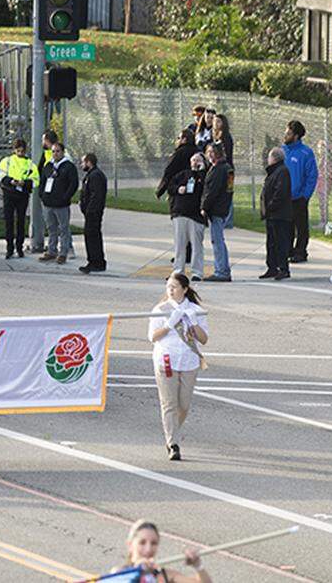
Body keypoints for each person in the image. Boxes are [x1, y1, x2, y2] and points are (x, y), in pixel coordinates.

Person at [148, 273, 208, 461]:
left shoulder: (195, 309)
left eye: (174, 287)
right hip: (166, 359)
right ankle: (172, 443)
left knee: (184, 405)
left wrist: (194, 322)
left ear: (185, 289)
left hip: (188, 360)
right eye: (168, 287)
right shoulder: (161, 309)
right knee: (169, 404)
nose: (171, 290)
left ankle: (171, 428)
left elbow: (204, 339)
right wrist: (169, 324)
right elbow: (152, 337)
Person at [110, 520, 212, 583]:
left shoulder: (165, 575)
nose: (148, 549)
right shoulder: (119, 573)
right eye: (142, 543)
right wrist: (138, 570)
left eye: (154, 543)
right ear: (130, 545)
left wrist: (198, 566)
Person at [282, 120, 318, 263]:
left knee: (301, 227)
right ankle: (288, 250)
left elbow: (312, 176)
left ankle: (301, 252)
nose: (285, 135)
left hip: (299, 197)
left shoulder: (306, 153)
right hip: (284, 196)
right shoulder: (283, 150)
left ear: (296, 136)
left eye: (288, 133)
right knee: (287, 226)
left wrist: (305, 195)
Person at [168, 153, 206, 281]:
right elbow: (171, 186)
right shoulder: (183, 174)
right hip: (180, 213)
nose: (195, 163)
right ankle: (178, 270)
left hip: (195, 216)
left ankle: (197, 272)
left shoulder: (204, 176)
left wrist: (201, 172)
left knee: (197, 246)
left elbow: (206, 188)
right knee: (180, 245)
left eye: (198, 160)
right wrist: (179, 189)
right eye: (194, 160)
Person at [39, 142, 78, 265]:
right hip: (48, 203)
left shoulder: (68, 166)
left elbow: (73, 184)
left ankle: (63, 253)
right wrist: (42, 195)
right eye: (53, 151)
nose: (55, 154)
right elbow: (42, 181)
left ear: (62, 152)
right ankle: (52, 250)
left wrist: (65, 197)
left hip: (61, 204)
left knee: (63, 229)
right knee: (51, 228)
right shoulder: (48, 166)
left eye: (58, 151)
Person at [0, 138, 39, 258]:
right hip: (9, 193)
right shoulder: (7, 161)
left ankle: (19, 247)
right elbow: (0, 174)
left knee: (21, 222)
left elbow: (36, 180)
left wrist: (25, 183)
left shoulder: (30, 163)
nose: (20, 153)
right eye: (18, 151)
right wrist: (11, 181)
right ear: (14, 150)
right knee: (9, 221)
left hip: (22, 194)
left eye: (22, 151)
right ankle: (9, 248)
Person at [200, 144, 233, 283]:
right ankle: (223, 269)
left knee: (217, 240)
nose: (210, 154)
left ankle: (221, 271)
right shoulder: (226, 168)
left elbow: (212, 192)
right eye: (208, 152)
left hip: (217, 209)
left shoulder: (220, 169)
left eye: (213, 152)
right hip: (223, 208)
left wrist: (204, 207)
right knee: (219, 240)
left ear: (219, 153)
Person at [260, 146, 293, 280]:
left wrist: (270, 206)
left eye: (269, 157)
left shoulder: (282, 171)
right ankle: (272, 267)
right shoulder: (274, 171)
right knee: (271, 242)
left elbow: (281, 193)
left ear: (274, 158)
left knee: (280, 242)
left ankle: (283, 268)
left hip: (279, 215)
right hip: (272, 215)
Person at [78, 153, 107, 274]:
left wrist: (90, 209)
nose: (81, 165)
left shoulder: (95, 176)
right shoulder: (91, 175)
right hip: (90, 212)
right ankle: (95, 261)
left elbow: (96, 195)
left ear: (89, 162)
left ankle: (96, 262)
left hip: (93, 213)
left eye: (83, 162)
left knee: (92, 236)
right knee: (91, 236)